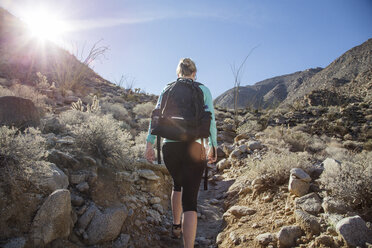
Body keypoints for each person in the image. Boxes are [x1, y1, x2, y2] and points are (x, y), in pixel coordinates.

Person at [145, 58, 217, 248]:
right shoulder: (203, 90)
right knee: (190, 201)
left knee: (177, 185)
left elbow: (155, 116)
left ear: (178, 73)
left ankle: (176, 226)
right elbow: (211, 121)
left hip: (169, 148)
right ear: (194, 74)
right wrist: (213, 146)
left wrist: (149, 144)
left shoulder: (167, 89)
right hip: (194, 147)